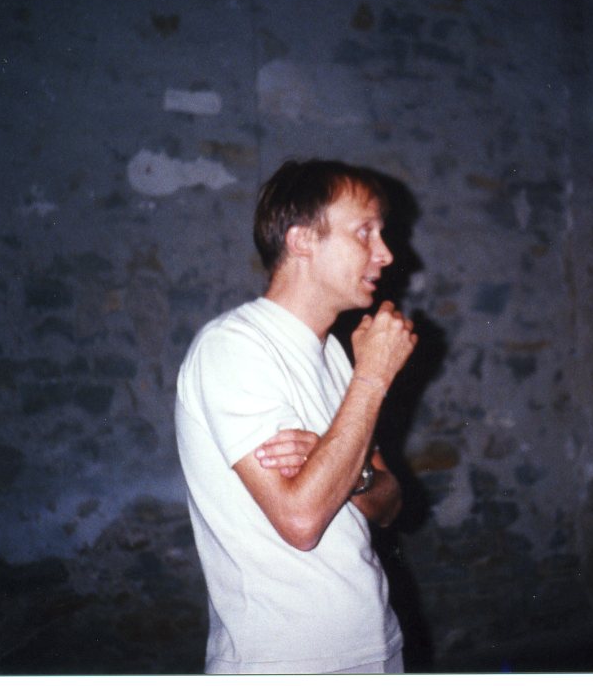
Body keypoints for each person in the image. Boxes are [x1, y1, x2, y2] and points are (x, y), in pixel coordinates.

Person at [174, 159, 417, 674]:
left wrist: (350, 472)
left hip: (374, 642)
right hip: (289, 660)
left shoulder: (334, 355)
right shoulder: (233, 347)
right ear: (302, 240)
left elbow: (390, 504)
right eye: (364, 232)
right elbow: (302, 520)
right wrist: (373, 377)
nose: (386, 254)